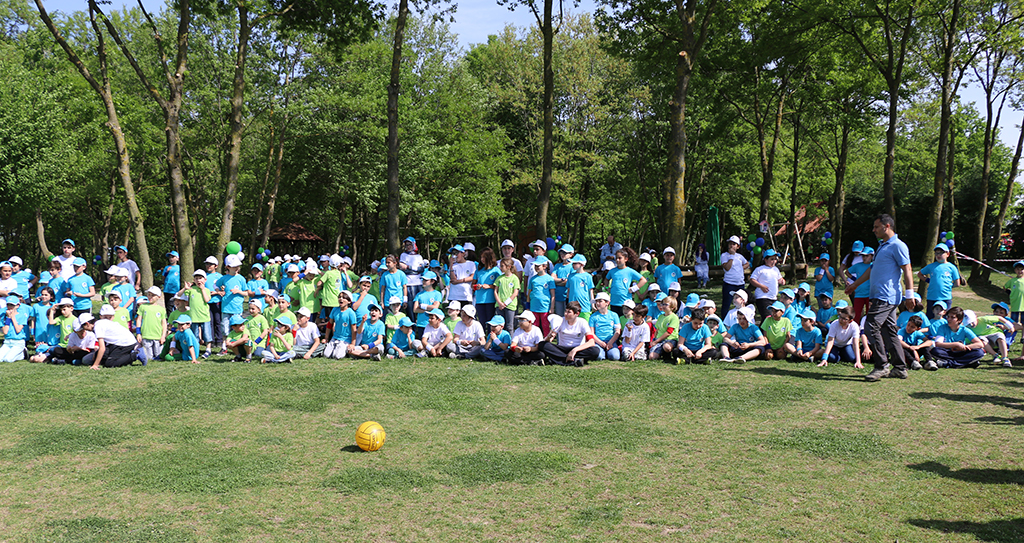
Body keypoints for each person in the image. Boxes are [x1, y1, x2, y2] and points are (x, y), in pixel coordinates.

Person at [845, 214, 914, 381]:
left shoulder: (898, 245)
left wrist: (910, 294)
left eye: (876, 227)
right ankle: (899, 367)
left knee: (870, 327)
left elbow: (908, 269)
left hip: (886, 296)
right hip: (879, 295)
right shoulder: (882, 246)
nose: (873, 230)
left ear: (887, 226)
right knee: (889, 331)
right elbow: (871, 269)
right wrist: (855, 285)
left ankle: (882, 366)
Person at [540, 301, 600, 366]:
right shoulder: (560, 321)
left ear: (577, 314)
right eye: (565, 311)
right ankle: (574, 361)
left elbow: (591, 342)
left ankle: (559, 360)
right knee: (542, 345)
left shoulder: (582, 322)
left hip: (577, 349)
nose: (565, 314)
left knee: (595, 351)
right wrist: (549, 336)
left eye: (569, 312)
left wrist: (574, 350)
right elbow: (550, 340)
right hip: (562, 348)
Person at [918, 244, 964, 320]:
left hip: (945, 297)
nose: (938, 255)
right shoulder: (931, 266)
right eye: (936, 253)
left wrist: (949, 286)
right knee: (930, 318)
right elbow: (920, 274)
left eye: (941, 253)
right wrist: (928, 280)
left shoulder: (952, 267)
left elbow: (957, 283)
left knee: (946, 318)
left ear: (948, 254)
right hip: (932, 297)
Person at [605, 249, 646, 316]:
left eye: (620, 258)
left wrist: (634, 288)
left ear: (626, 259)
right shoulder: (612, 271)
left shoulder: (630, 271)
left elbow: (643, 280)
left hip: (626, 303)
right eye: (616, 258)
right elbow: (606, 279)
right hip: (614, 302)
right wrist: (607, 287)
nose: (617, 260)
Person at [135, 286, 167, 364]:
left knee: (158, 355)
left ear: (158, 297)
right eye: (149, 294)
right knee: (148, 357)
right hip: (146, 336)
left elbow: (164, 323)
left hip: (157, 336)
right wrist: (138, 333)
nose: (150, 297)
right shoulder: (143, 307)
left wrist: (163, 336)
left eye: (153, 295)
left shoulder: (161, 309)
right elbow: (138, 320)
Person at [749, 249, 784, 319]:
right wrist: (761, 286)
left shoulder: (776, 269)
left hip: (773, 297)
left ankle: (762, 329)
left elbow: (779, 279)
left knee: (771, 318)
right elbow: (752, 279)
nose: (774, 261)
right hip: (762, 297)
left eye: (775, 259)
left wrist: (782, 281)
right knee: (767, 317)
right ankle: (762, 330)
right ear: (765, 260)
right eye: (772, 259)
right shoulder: (760, 269)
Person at [527, 256, 555, 337]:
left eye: (538, 266)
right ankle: (535, 342)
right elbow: (529, 293)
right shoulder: (533, 279)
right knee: (534, 326)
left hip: (544, 307)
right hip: (533, 307)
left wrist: (552, 307)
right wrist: (527, 305)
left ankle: (546, 343)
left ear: (544, 266)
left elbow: (553, 294)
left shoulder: (549, 279)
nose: (536, 268)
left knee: (545, 326)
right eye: (535, 266)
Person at [589, 292, 622, 361]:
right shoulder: (593, 316)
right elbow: (591, 333)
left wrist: (610, 343)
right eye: (596, 301)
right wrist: (600, 343)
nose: (597, 303)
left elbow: (617, 331)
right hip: (598, 342)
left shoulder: (614, 315)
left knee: (615, 357)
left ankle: (608, 352)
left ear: (607, 303)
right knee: (599, 357)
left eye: (600, 301)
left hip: (611, 342)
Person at [325, 291, 358, 359]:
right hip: (335, 337)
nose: (341, 299)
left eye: (344, 297)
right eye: (339, 297)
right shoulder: (335, 309)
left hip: (346, 339)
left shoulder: (351, 313)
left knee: (337, 356)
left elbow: (354, 329)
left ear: (349, 301)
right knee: (326, 355)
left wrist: (353, 343)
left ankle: (345, 350)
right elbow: (329, 324)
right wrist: (326, 338)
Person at [721, 236, 749, 311]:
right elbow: (727, 267)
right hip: (729, 283)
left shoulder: (740, 256)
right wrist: (732, 256)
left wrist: (740, 269)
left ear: (738, 246)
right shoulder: (724, 255)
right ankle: (725, 321)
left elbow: (747, 263)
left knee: (741, 304)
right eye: (730, 243)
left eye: (734, 244)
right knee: (726, 304)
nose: (731, 245)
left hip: (740, 283)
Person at [846, 247, 874, 322]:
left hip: (870, 294)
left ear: (872, 256)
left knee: (870, 315)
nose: (864, 258)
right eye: (863, 256)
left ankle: (867, 331)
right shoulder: (858, 265)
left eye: (866, 256)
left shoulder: (873, 266)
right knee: (856, 315)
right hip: (859, 293)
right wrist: (854, 279)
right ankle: (855, 331)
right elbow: (847, 272)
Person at [399, 237, 425, 316]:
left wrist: (409, 267)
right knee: (410, 304)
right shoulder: (403, 255)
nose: (408, 246)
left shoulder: (419, 256)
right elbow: (403, 268)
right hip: (409, 282)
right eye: (406, 245)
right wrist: (415, 269)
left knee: (420, 302)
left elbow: (421, 269)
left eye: (410, 244)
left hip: (419, 282)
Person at [493, 258, 521, 334]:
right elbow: (495, 291)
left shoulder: (515, 278)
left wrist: (505, 303)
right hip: (499, 306)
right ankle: (501, 343)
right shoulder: (499, 278)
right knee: (500, 326)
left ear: (508, 266)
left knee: (509, 326)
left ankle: (511, 343)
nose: (500, 268)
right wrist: (499, 303)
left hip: (510, 306)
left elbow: (515, 293)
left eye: (502, 266)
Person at [0, 296, 30, 362]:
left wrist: (13, 317)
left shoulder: (22, 316)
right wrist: (8, 318)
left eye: (12, 305)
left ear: (17, 305)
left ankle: (22, 354)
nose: (10, 307)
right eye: (8, 305)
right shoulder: (3, 316)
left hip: (18, 342)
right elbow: (5, 331)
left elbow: (18, 330)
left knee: (8, 359)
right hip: (7, 342)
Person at [566, 254, 594, 319]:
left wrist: (592, 304)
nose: (573, 265)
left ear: (581, 264)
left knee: (585, 325)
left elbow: (591, 291)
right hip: (572, 306)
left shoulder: (588, 276)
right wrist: (567, 302)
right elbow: (568, 290)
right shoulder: (571, 276)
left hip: (585, 306)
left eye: (575, 263)